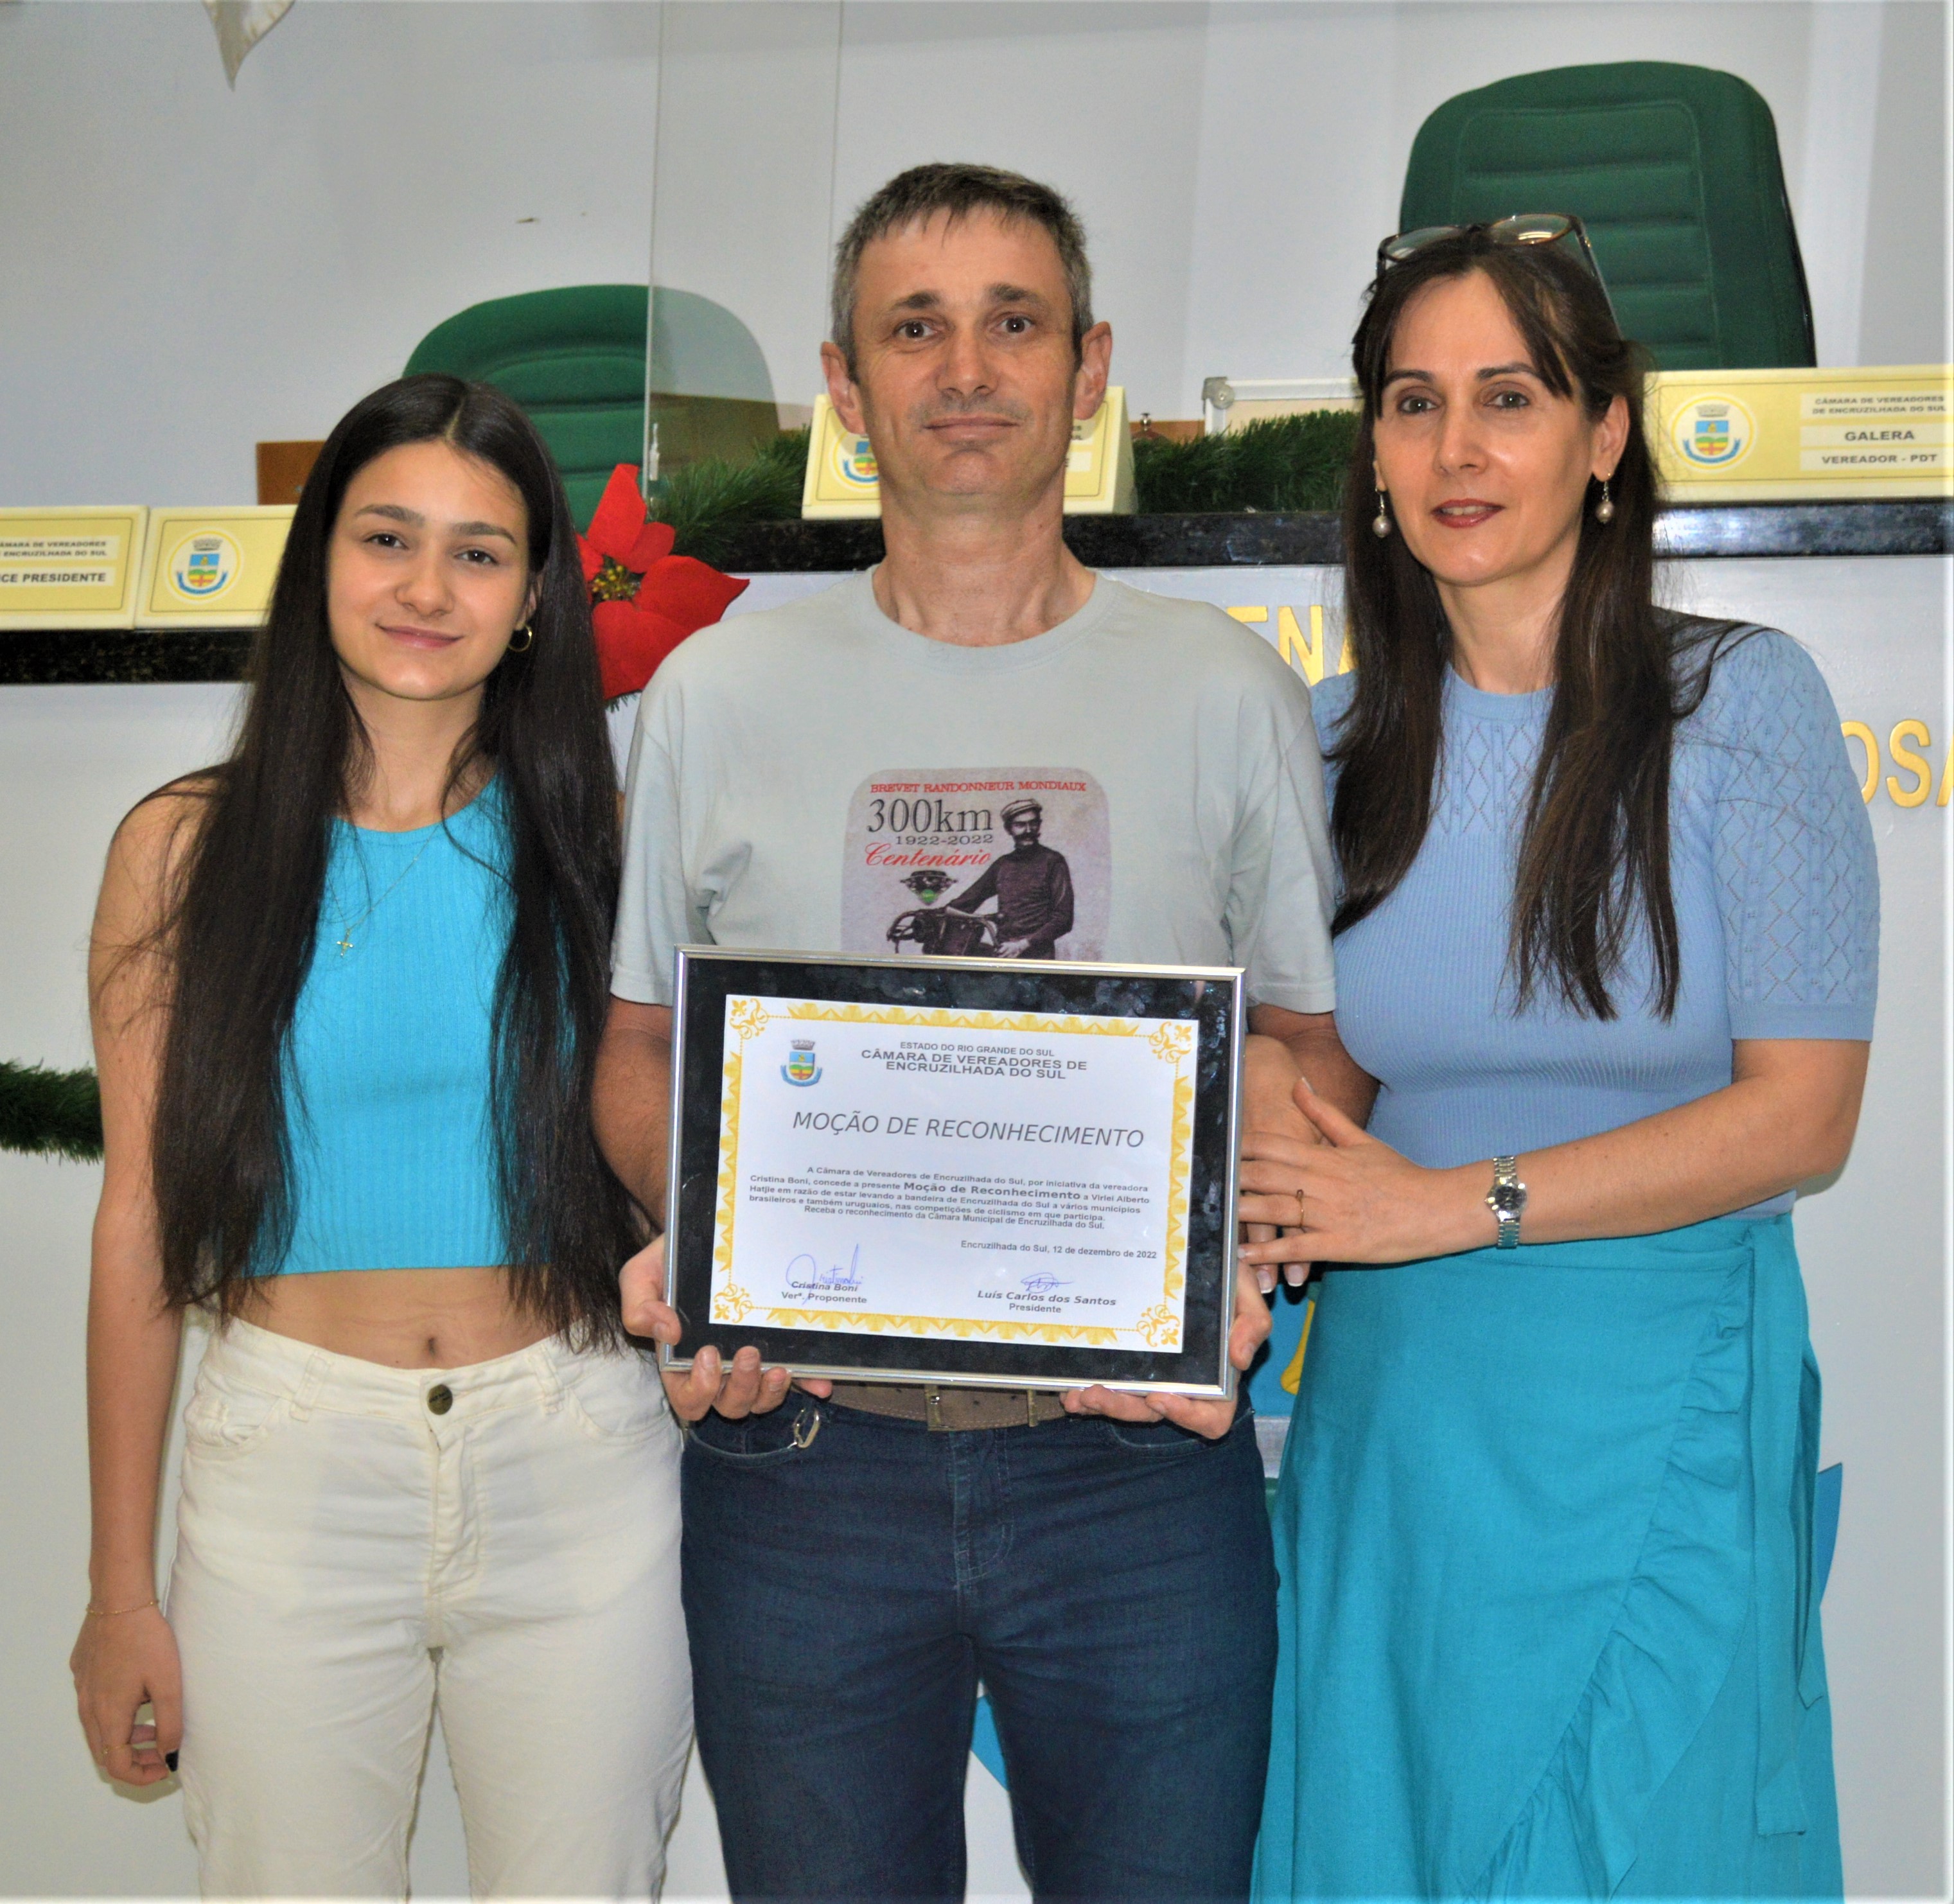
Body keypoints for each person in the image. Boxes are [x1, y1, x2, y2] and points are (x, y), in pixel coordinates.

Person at [594, 162, 1368, 1903]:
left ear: (1089, 368)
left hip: (1134, 1469)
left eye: (1012, 322)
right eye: (914, 329)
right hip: (803, 1454)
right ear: (842, 384)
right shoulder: (715, 696)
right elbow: (638, 1053)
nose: (963, 369)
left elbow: (1311, 1062)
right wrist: (709, 1246)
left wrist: (1243, 1245)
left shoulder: (1226, 690)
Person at [1242, 222, 1876, 1899]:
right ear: (1375, 452)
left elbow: (1803, 1116)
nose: (1456, 449)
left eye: (1507, 398)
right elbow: (1319, 1089)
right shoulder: (1327, 744)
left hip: (1654, 1406)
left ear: (1605, 435)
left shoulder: (1744, 703)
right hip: (1401, 1423)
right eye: (1413, 402)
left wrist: (1455, 1204)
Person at [70, 376, 689, 1898]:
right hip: (288, 1464)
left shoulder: (610, 843)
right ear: (320, 562)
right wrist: (117, 1590)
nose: (427, 588)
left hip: (577, 1458)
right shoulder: (181, 849)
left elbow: (680, 1156)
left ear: (534, 598)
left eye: (479, 553)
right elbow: (139, 1217)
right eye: (387, 538)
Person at [944, 796, 1073, 956]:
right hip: (1003, 952)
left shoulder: (1053, 861)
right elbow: (966, 901)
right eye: (1020, 825)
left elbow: (1063, 919)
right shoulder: (1002, 865)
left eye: (1033, 823)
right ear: (1008, 829)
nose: (1028, 830)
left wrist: (1022, 945)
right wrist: (938, 912)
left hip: (1038, 956)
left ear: (1039, 825)